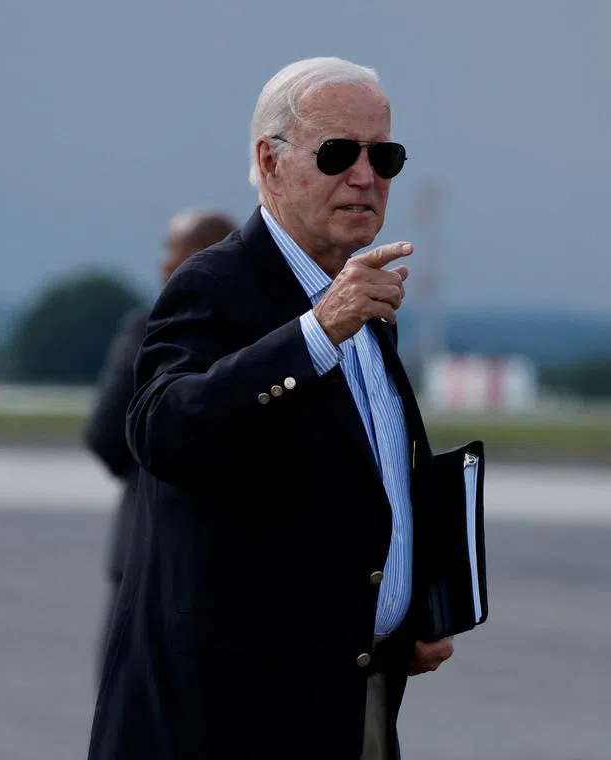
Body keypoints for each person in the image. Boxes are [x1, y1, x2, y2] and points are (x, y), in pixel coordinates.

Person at [87, 57, 457, 760]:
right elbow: (161, 428)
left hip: (347, 697)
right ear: (271, 161)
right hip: (235, 721)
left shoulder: (363, 300)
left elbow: (350, 485)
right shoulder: (217, 283)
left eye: (384, 156)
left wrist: (401, 614)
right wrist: (315, 333)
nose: (365, 175)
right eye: (339, 153)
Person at [82, 208, 237, 690]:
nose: (164, 262)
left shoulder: (150, 328)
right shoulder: (265, 335)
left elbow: (105, 434)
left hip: (145, 555)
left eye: (173, 248)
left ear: (195, 259)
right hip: (229, 570)